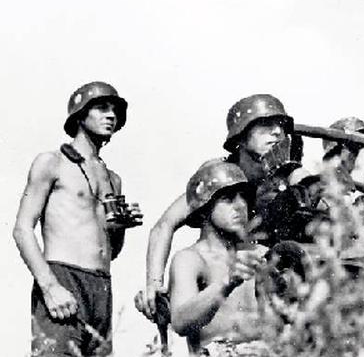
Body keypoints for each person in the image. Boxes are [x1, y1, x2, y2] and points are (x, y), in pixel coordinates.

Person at [135, 94, 310, 321]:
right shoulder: (218, 173)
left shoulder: (288, 177)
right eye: (266, 125)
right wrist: (154, 285)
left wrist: (299, 178)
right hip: (219, 280)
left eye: (281, 127)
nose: (277, 132)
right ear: (242, 136)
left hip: (267, 288)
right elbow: (165, 224)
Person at [13, 81, 142, 356]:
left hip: (102, 285)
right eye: (101, 108)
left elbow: (112, 251)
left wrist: (119, 227)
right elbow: (22, 229)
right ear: (80, 115)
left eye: (115, 111)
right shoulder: (52, 162)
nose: (111, 116)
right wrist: (49, 286)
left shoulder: (113, 179)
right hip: (64, 276)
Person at [168, 161, 272, 356]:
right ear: (204, 206)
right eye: (228, 198)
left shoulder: (260, 254)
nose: (240, 205)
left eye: (243, 197)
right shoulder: (190, 259)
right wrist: (225, 284)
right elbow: (180, 322)